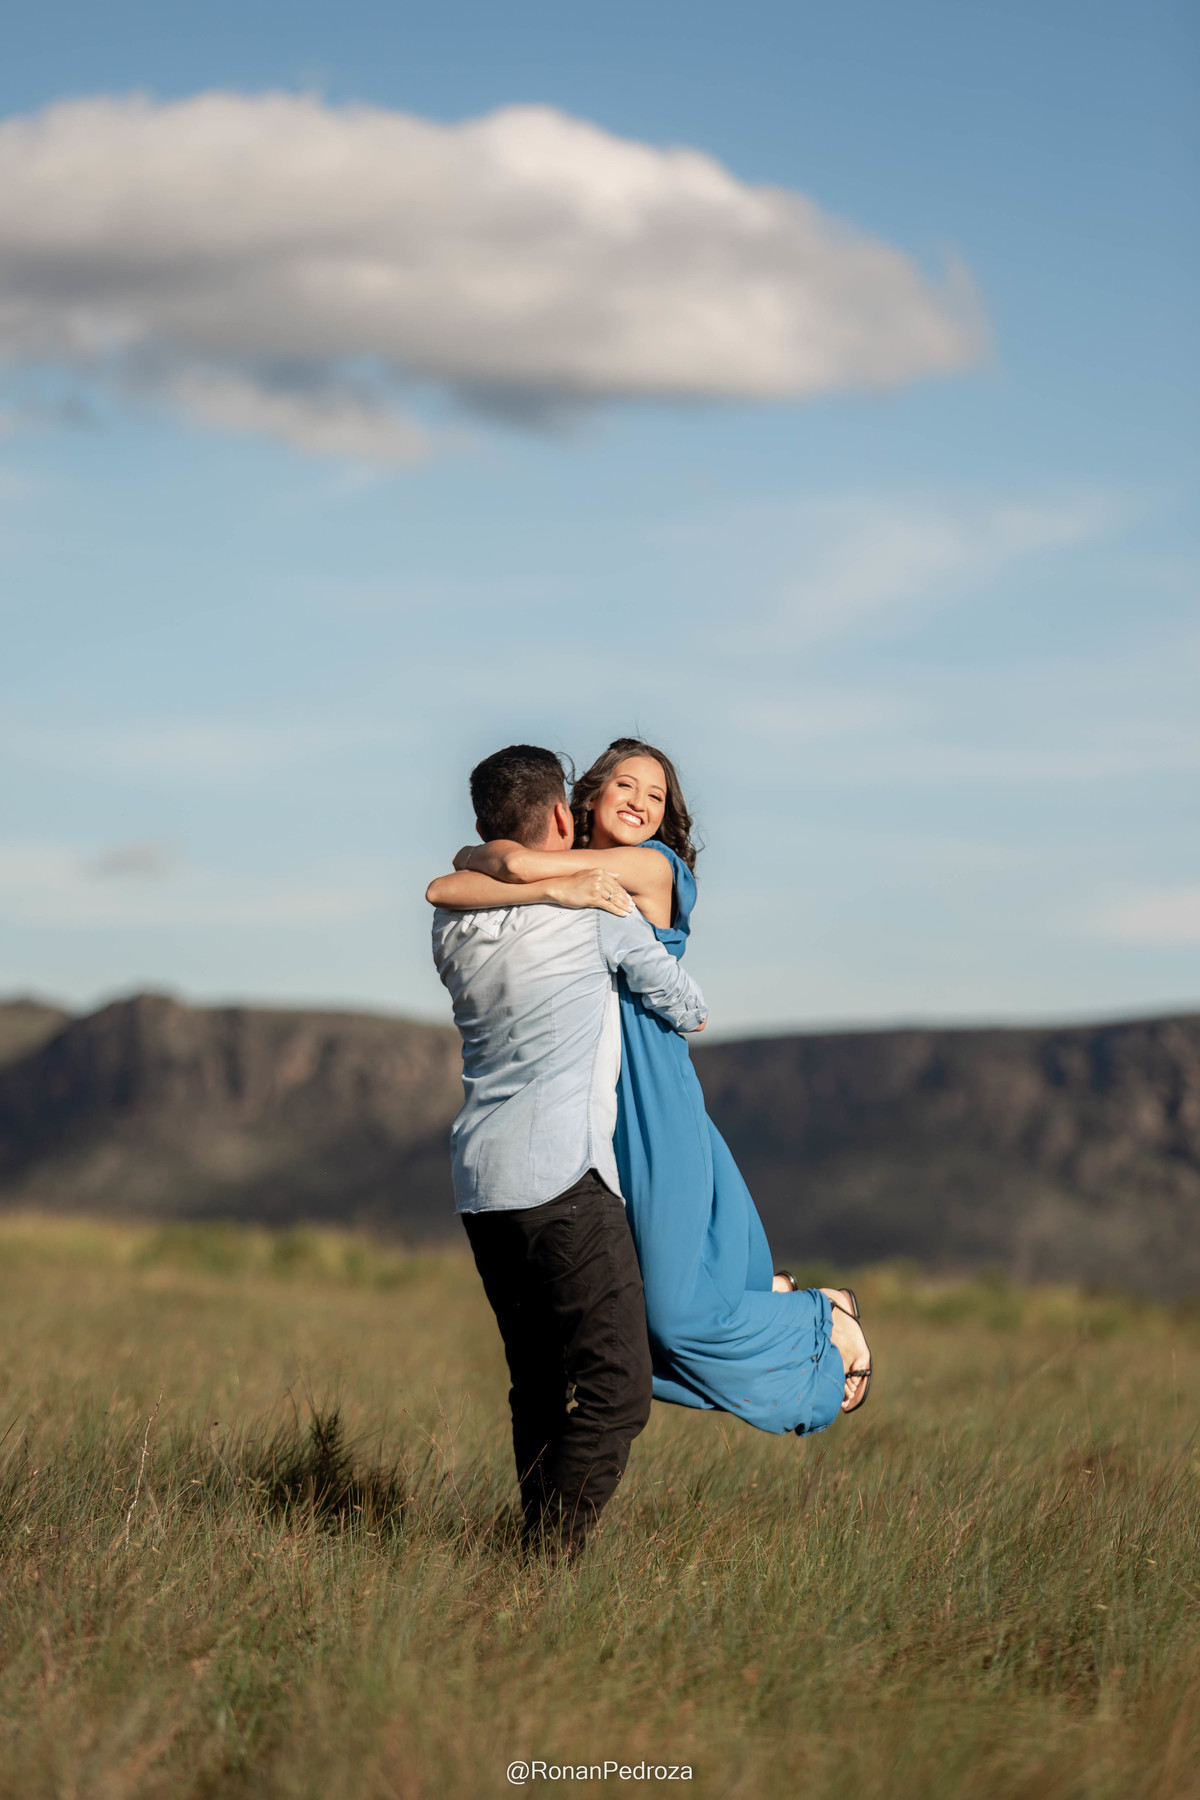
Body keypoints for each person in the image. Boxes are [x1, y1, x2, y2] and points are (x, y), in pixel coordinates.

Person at [428, 737, 872, 1438]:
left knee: (671, 1316)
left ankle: (820, 1314)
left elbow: (494, 867)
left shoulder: (652, 866)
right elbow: (447, 886)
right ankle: (767, 1296)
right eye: (626, 787)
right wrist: (546, 881)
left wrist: (520, 868)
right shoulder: (573, 878)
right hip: (595, 1106)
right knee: (628, 1323)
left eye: (656, 796)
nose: (640, 803)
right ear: (588, 799)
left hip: (653, 1090)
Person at [427, 743, 708, 1558]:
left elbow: (457, 878)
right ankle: (540, 1560)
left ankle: (530, 1555)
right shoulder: (597, 912)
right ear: (563, 814)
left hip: (481, 1183)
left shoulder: (452, 921)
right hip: (563, 1180)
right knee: (617, 1392)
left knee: (539, 1384)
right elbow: (687, 1007)